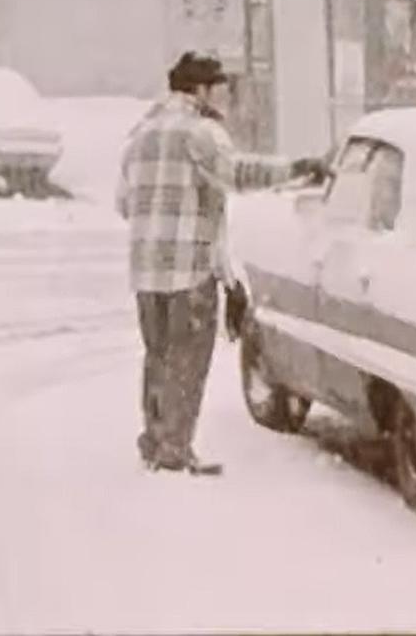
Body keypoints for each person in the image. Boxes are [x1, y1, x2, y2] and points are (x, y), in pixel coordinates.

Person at [116, 51, 327, 475]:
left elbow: (124, 203)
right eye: (222, 90)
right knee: (188, 360)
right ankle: (175, 449)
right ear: (201, 90)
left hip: (145, 272)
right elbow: (238, 173)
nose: (227, 100)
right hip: (189, 269)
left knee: (157, 355)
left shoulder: (140, 134)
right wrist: (298, 169)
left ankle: (156, 441)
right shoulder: (201, 132)